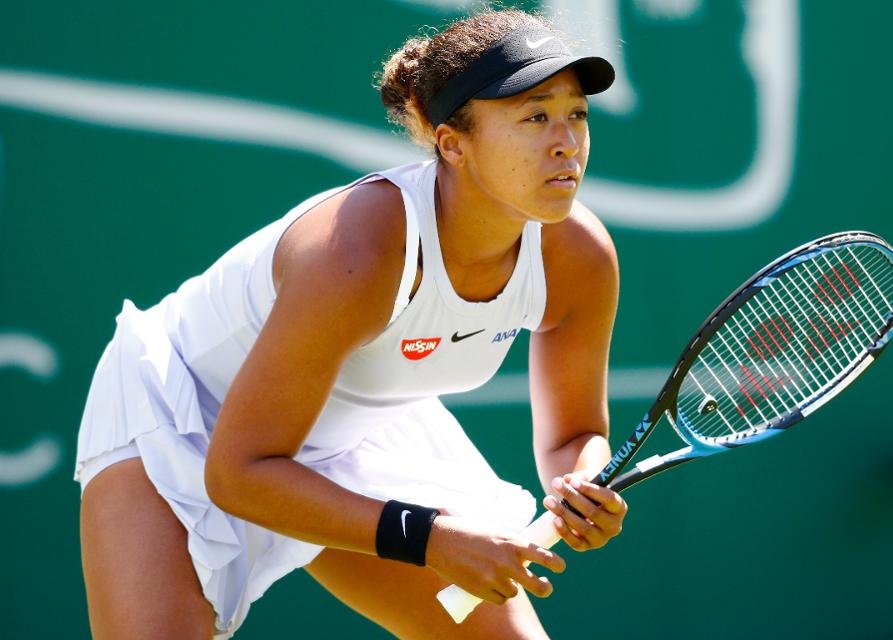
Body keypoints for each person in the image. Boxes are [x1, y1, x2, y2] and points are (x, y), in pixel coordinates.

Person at [75, 8, 626, 639]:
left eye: (577, 114)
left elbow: (574, 433)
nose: (567, 142)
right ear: (453, 144)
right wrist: (431, 537)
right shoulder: (356, 251)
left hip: (358, 428)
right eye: (534, 117)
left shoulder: (580, 258)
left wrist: (581, 484)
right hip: (184, 415)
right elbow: (237, 473)